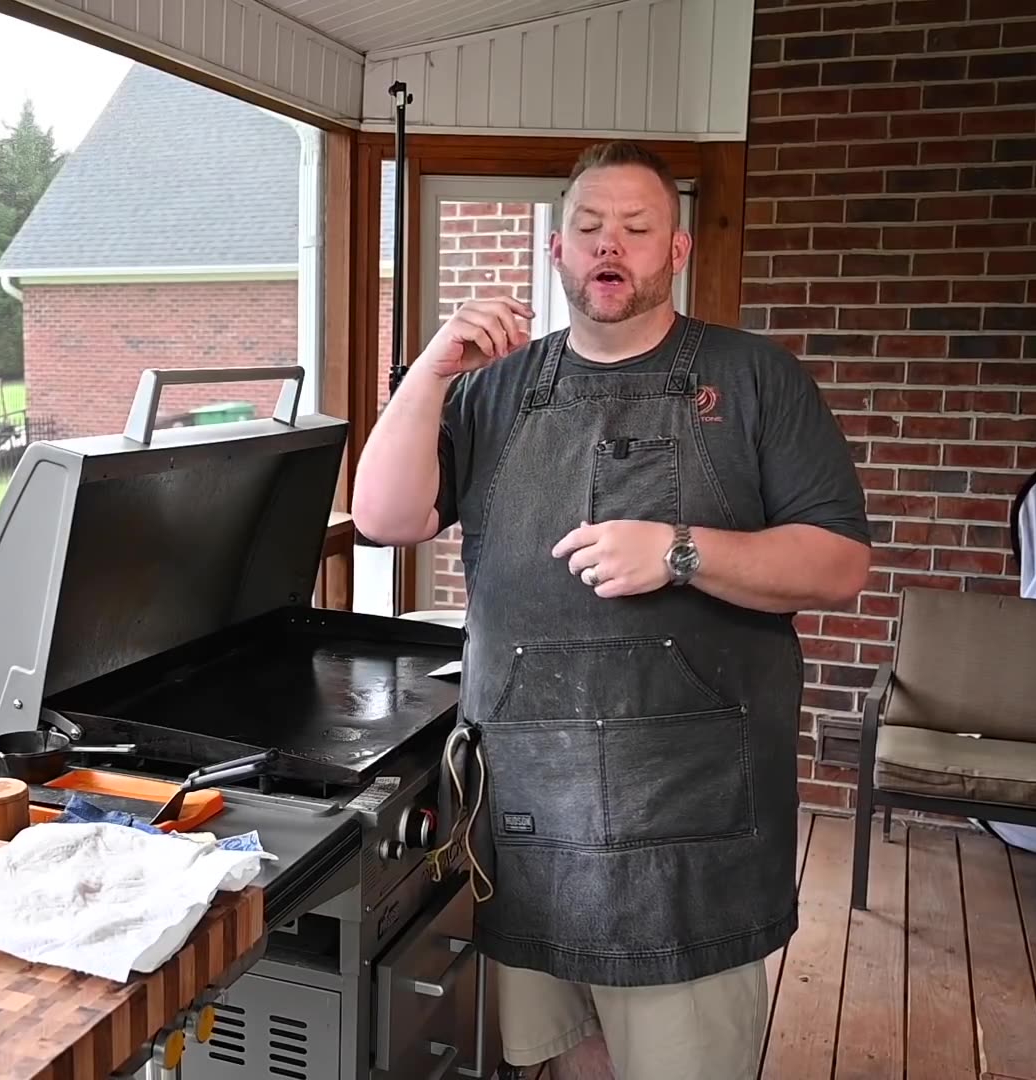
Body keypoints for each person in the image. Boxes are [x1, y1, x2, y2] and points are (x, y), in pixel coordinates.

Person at [351, 141, 872, 1079]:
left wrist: (680, 552)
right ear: (557, 250)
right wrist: (430, 370)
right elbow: (389, 517)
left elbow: (838, 567)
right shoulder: (493, 387)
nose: (610, 247)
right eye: (589, 229)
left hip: (689, 819)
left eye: (636, 230)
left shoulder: (755, 379)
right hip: (534, 808)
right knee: (567, 1059)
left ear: (675, 253)